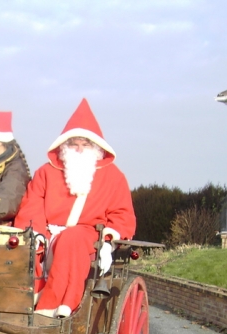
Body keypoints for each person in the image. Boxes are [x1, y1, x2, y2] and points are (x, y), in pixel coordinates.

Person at [14, 99, 136, 318]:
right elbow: (32, 206)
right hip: (49, 233)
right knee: (23, 245)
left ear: (97, 148)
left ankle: (56, 305)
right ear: (64, 146)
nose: (79, 150)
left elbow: (122, 214)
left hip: (88, 236)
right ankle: (19, 301)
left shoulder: (114, 176)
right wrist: (38, 234)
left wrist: (109, 240)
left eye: (85, 145)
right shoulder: (46, 172)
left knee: (72, 239)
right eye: (74, 144)